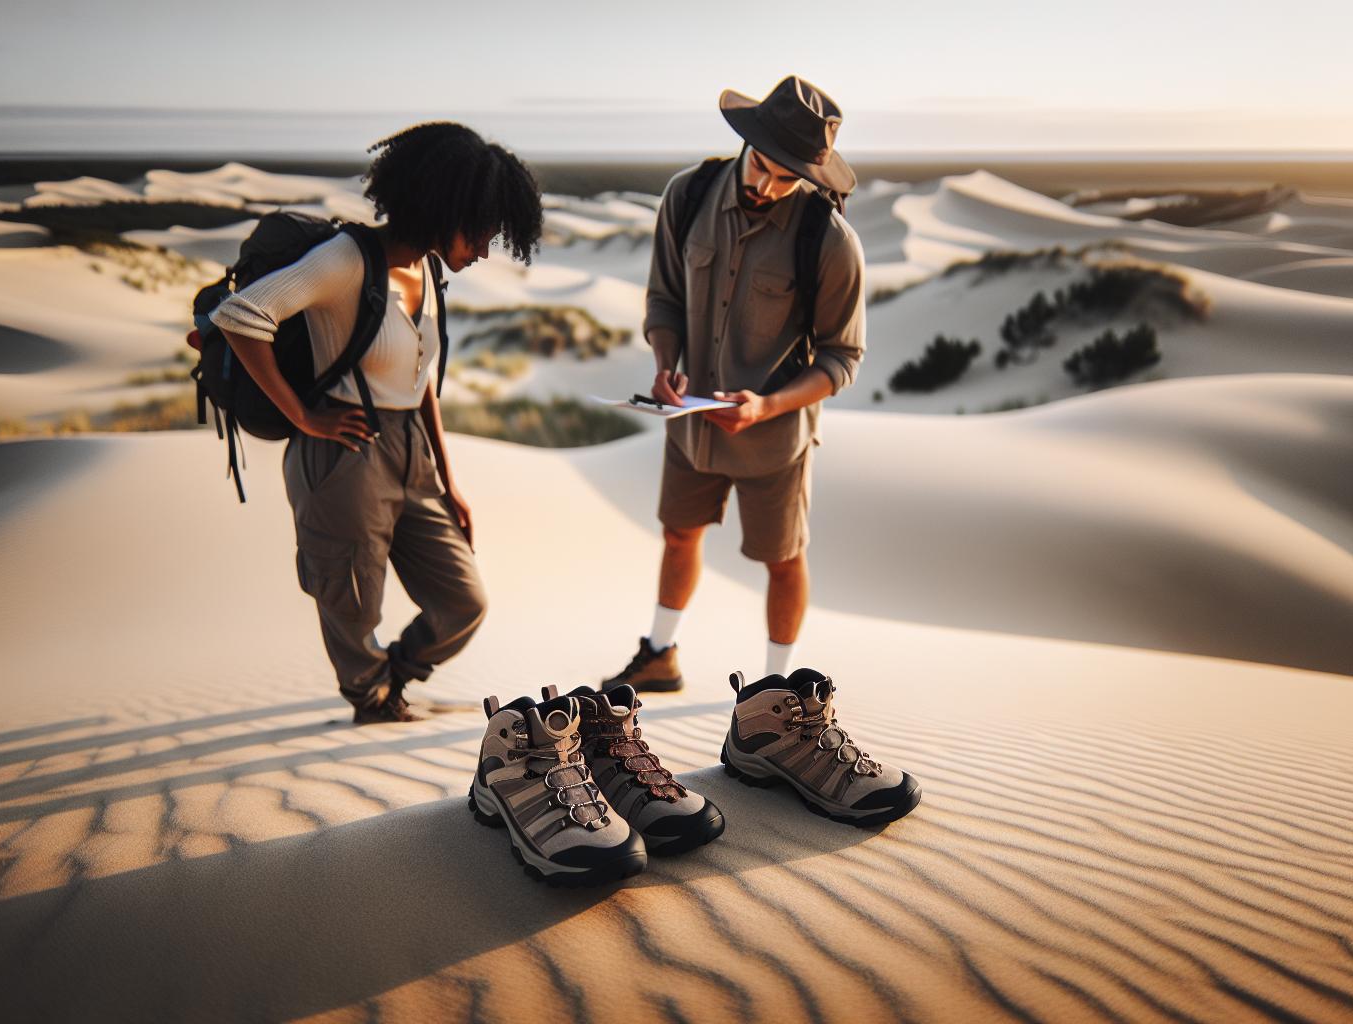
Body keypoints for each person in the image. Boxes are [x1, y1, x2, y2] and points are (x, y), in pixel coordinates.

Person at [210, 122, 543, 723]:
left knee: (462, 599)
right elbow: (242, 316)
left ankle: (394, 677)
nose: (486, 251)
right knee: (354, 600)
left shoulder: (429, 273)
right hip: (345, 453)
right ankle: (371, 699)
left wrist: (448, 477)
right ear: (444, 208)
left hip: (411, 452)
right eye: (482, 233)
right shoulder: (345, 261)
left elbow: (419, 384)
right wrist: (305, 416)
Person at [602, 75, 867, 694]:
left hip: (773, 437)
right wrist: (667, 364)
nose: (767, 187)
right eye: (763, 168)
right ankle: (660, 654)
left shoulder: (829, 241)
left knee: (781, 558)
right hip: (689, 422)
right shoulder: (687, 195)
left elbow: (842, 357)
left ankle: (778, 688)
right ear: (746, 144)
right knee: (678, 533)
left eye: (788, 178)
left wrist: (767, 406)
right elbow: (663, 299)